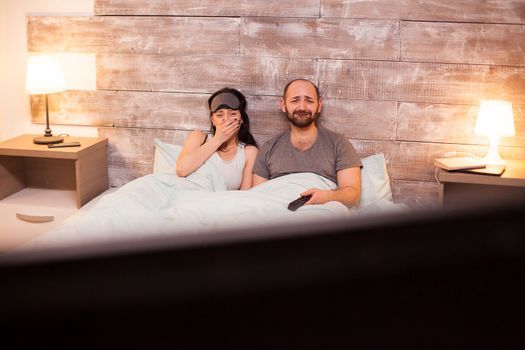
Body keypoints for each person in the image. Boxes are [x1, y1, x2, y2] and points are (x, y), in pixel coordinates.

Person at [252, 79, 362, 207]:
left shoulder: (339, 144)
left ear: (319, 105)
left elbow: (353, 195)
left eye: (309, 101)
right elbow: (257, 197)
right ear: (283, 105)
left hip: (321, 212)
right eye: (295, 100)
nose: (302, 107)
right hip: (277, 214)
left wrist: (326, 196)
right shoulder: (268, 148)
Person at [176, 87, 258, 190]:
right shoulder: (198, 137)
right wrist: (218, 139)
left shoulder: (249, 152)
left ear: (241, 119)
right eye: (219, 115)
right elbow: (181, 170)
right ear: (213, 120)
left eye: (233, 114)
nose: (226, 119)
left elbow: (244, 197)